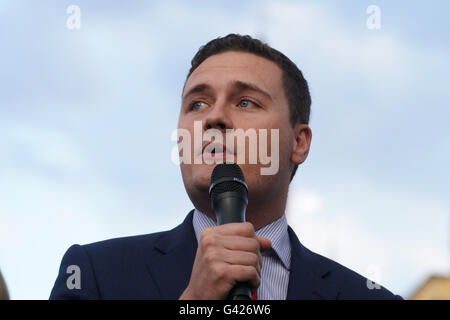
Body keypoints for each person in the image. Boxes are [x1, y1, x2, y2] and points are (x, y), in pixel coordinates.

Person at [50, 34, 401, 300]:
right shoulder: (94, 274)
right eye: (197, 103)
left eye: (245, 101)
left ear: (299, 142)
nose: (214, 116)